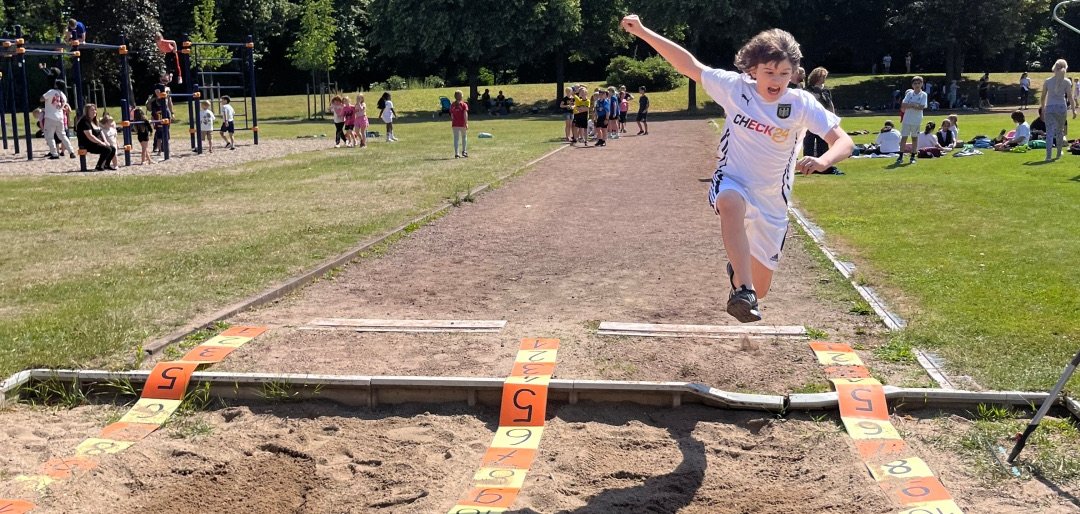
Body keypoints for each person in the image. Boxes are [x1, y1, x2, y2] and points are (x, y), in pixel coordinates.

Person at [620, 15, 854, 322]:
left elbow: (844, 141)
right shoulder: (735, 89)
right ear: (753, 70)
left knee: (763, 288)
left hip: (773, 200)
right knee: (730, 204)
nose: (776, 80)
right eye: (769, 72)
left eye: (784, 73)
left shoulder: (801, 104)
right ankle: (743, 289)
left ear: (794, 74)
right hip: (733, 179)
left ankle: (740, 276)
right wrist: (643, 32)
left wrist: (824, 160)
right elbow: (689, 65)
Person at [804, 67, 842, 174]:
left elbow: (830, 104)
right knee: (809, 143)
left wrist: (833, 117)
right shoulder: (808, 90)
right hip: (811, 119)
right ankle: (808, 166)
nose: (824, 78)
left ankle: (821, 165)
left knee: (823, 143)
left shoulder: (826, 91)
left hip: (823, 120)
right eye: (822, 76)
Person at [1040, 59, 1076, 161]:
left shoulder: (1047, 81)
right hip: (1061, 107)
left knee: (1050, 132)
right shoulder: (1067, 82)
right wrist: (1074, 110)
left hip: (1050, 107)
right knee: (1060, 132)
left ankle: (1048, 156)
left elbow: (1043, 97)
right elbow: (1070, 97)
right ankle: (1058, 154)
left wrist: (1043, 108)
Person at [41, 79, 76, 160]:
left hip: (50, 116)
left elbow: (42, 98)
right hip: (60, 117)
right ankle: (71, 151)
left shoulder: (51, 91)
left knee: (49, 136)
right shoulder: (63, 95)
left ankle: (54, 153)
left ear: (56, 85)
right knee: (62, 135)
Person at [76, 104, 116, 171]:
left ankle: (106, 165)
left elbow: (101, 132)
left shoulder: (94, 121)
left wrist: (105, 141)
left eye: (95, 110)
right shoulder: (84, 121)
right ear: (87, 111)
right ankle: (98, 166)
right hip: (87, 143)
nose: (94, 111)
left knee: (113, 148)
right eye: (92, 110)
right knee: (107, 149)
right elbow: (90, 136)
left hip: (95, 142)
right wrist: (101, 142)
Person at [897, 76, 928, 164]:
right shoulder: (909, 94)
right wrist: (914, 105)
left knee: (914, 138)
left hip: (916, 120)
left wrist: (911, 105)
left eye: (919, 83)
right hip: (907, 119)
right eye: (915, 83)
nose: (917, 85)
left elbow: (922, 107)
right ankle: (900, 156)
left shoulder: (924, 95)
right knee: (904, 138)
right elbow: (903, 104)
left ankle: (913, 156)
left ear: (922, 84)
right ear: (912, 85)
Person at [151, 72, 174, 154]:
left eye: (167, 80)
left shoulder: (167, 88)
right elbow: (159, 95)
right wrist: (166, 89)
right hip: (158, 110)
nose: (166, 81)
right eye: (164, 79)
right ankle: (157, 147)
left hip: (166, 110)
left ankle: (164, 147)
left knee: (166, 129)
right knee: (159, 129)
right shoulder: (157, 86)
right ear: (160, 78)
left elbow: (170, 101)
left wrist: (172, 112)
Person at [450, 89, 469, 158]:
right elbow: (465, 114)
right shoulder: (464, 104)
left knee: (456, 138)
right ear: (461, 96)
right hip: (462, 123)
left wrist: (454, 121)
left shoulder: (452, 105)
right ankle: (464, 151)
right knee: (464, 137)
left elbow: (452, 115)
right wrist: (466, 123)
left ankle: (456, 153)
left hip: (455, 124)